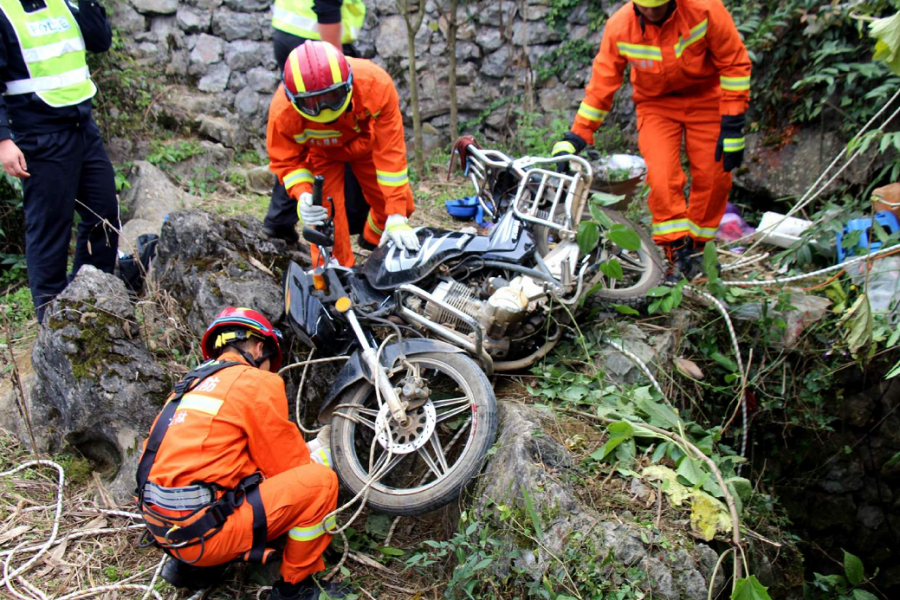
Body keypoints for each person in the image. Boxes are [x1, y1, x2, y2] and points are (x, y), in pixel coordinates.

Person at [136, 307, 345, 600]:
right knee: (320, 483)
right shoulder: (254, 381)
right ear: (260, 348)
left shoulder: (189, 386)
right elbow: (289, 466)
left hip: (162, 529)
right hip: (204, 535)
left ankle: (191, 568)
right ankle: (295, 588)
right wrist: (328, 450)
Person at [553, 0, 751, 281]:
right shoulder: (620, 27)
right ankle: (676, 254)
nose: (653, 13)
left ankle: (697, 248)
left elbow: (734, 62)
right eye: (647, 8)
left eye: (659, 6)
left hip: (707, 98)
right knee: (661, 179)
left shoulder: (704, 9)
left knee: (714, 177)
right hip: (656, 106)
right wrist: (576, 136)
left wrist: (732, 125)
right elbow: (602, 86)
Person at [0, 0, 120, 323]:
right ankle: (53, 323)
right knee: (50, 232)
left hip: (83, 127)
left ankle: (94, 300)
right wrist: (3, 141)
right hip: (40, 135)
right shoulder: (5, 10)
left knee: (104, 213)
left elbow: (100, 41)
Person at [267, 41, 418, 267]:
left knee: (398, 205)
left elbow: (391, 152)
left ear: (348, 84)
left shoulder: (374, 84)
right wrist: (303, 195)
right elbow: (287, 160)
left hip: (366, 144)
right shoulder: (283, 113)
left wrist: (396, 214)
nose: (325, 109)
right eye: (314, 103)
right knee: (325, 219)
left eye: (332, 97)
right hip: (323, 155)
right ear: (294, 99)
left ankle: (376, 246)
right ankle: (336, 277)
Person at [265, 0, 368, 246]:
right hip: (317, 46)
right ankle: (343, 220)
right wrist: (335, 60)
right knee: (324, 133)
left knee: (308, 131)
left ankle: (280, 220)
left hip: (293, 36)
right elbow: (326, 4)